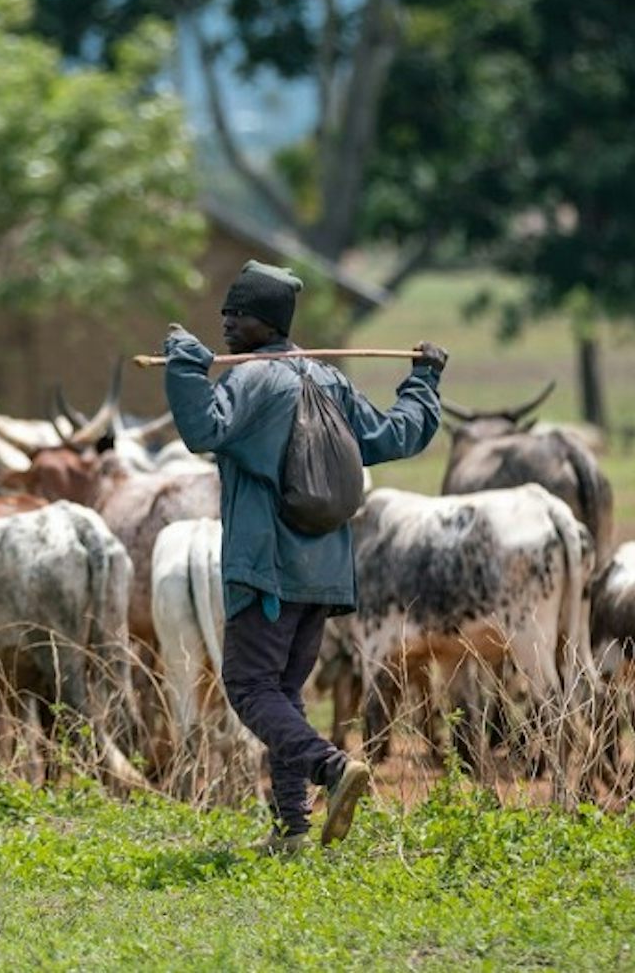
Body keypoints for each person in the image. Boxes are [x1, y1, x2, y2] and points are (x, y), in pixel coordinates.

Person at [162, 260, 445, 852]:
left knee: (247, 688)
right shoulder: (332, 384)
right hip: (324, 574)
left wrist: (186, 368)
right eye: (224, 317)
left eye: (235, 316)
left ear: (264, 323)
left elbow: (202, 432)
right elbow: (396, 435)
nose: (226, 326)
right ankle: (292, 829)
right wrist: (423, 380)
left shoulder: (253, 381)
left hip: (266, 571)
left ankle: (333, 768)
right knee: (284, 694)